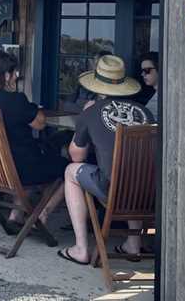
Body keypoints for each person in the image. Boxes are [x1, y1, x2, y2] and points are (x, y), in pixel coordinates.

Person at [59, 54, 154, 265]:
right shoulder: (145, 111)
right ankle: (133, 244)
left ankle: (81, 248)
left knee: (70, 171)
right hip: (150, 193)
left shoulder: (91, 112)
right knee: (134, 170)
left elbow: (77, 156)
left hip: (115, 192)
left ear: (96, 82)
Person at [0, 49, 67, 225]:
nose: (15, 77)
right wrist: (32, 106)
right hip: (18, 171)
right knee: (67, 168)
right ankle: (41, 215)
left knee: (24, 154)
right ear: (6, 76)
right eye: (14, 73)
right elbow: (40, 123)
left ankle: (16, 215)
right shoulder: (16, 100)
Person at [134, 51, 159, 118]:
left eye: (147, 70)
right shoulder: (158, 94)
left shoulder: (165, 96)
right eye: (142, 71)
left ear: (160, 69)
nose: (142, 74)